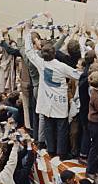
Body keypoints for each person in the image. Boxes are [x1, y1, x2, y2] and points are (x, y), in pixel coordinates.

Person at [23, 21, 81, 159]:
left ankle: (51, 150)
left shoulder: (40, 63)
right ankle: (61, 154)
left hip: (46, 100)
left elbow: (29, 51)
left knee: (49, 126)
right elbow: (77, 75)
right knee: (61, 128)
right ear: (54, 53)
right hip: (59, 101)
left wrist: (26, 32)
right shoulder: (61, 67)